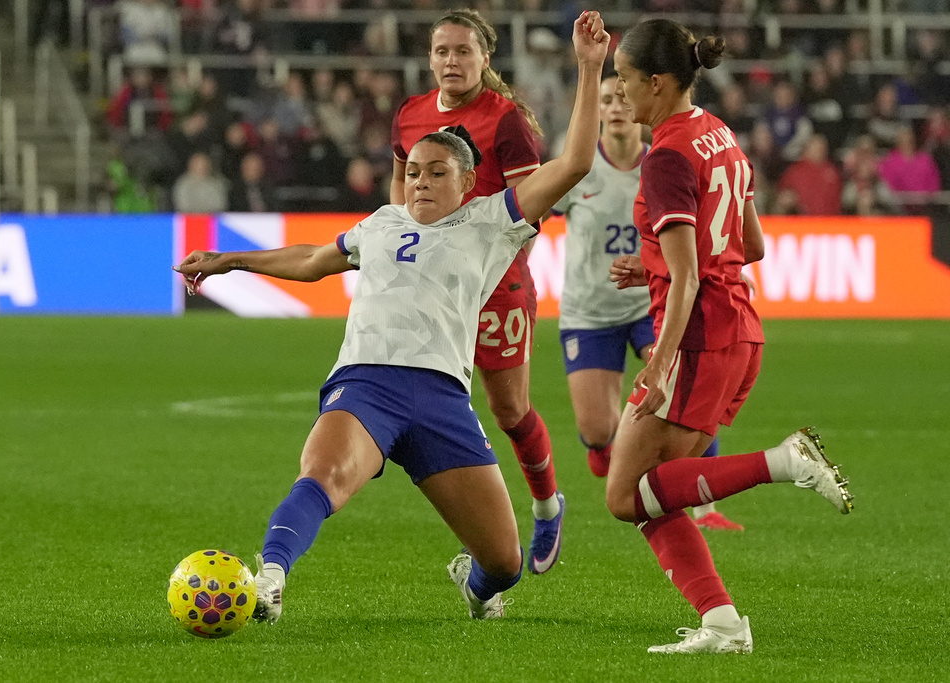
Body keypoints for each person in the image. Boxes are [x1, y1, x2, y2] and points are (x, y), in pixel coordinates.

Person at [174, 11, 609, 624]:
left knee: (504, 561)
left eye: (438, 173)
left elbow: (575, 163)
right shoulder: (381, 223)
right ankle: (267, 579)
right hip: (367, 382)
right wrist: (230, 260)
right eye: (414, 172)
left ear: (467, 182)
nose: (421, 183)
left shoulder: (493, 223)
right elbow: (312, 259)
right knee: (322, 477)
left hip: (441, 399)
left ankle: (478, 587)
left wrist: (590, 69)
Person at [607, 18, 855, 654]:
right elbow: (753, 245)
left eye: (627, 81)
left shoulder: (665, 155)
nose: (621, 94)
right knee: (650, 494)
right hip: (740, 331)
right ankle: (720, 622)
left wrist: (658, 365)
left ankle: (785, 461)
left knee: (624, 494)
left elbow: (689, 278)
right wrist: (654, 263)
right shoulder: (719, 134)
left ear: (657, 83)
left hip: (698, 339)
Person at [389, 8, 565, 575]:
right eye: (442, 51)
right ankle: (484, 538)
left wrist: (497, 274)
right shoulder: (411, 115)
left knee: (509, 409)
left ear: (485, 59)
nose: (451, 61)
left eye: (463, 51)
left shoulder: (506, 121)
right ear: (430, 58)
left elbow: (531, 211)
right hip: (430, 290)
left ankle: (546, 504)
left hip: (496, 287)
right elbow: (401, 190)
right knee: (441, 406)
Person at [551, 74, 741, 531]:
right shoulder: (578, 168)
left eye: (621, 97)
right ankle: (602, 450)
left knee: (685, 391)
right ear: (595, 110)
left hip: (647, 305)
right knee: (598, 430)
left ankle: (706, 510)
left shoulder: (662, 162)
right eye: (606, 100)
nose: (615, 106)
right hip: (588, 311)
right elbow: (536, 217)